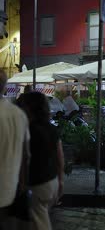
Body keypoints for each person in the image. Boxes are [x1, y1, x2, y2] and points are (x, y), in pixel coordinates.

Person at [17, 92, 65, 230]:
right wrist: (61, 180)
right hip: (52, 182)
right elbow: (60, 157)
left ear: (30, 108)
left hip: (38, 184)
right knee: (40, 217)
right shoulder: (51, 128)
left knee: (40, 221)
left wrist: (22, 182)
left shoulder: (29, 130)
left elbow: (25, 159)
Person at [0, 69, 31, 229]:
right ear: (5, 88)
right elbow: (26, 154)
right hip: (11, 188)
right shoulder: (18, 114)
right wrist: (24, 183)